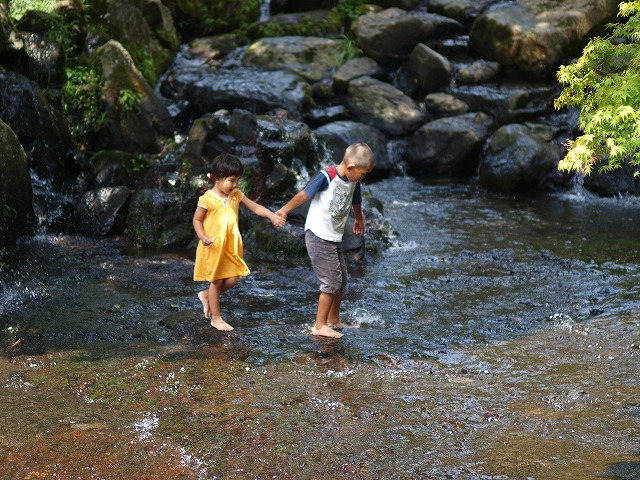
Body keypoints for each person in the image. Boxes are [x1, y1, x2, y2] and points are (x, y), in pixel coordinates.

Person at [275, 143, 375, 338]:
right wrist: (284, 210)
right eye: (363, 174)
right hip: (318, 235)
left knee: (342, 279)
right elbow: (305, 194)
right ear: (351, 168)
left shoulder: (353, 180)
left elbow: (356, 199)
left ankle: (333, 320)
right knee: (331, 281)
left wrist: (359, 218)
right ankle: (319, 325)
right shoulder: (327, 176)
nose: (363, 178)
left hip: (333, 236)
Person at [193, 153, 285, 331]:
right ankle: (216, 318)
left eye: (237, 181)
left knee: (233, 279)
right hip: (213, 245)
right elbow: (197, 220)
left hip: (231, 245)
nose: (235, 185)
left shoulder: (236, 195)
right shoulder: (207, 199)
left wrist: (272, 215)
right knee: (217, 281)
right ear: (218, 178)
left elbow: (255, 207)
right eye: (232, 181)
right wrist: (202, 236)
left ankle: (206, 295)